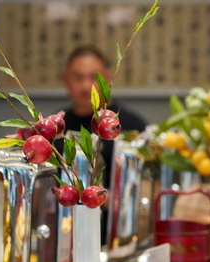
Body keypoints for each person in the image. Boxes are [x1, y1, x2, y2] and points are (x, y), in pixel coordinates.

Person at [61, 45, 147, 185]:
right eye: (78, 77)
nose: (85, 85)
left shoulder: (132, 126)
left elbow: (145, 183)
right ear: (66, 79)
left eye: (94, 77)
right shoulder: (57, 126)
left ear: (107, 78)